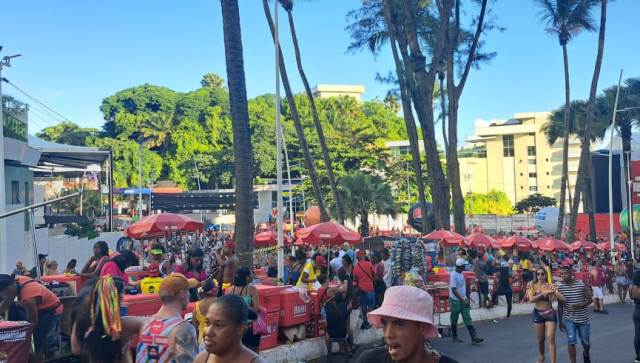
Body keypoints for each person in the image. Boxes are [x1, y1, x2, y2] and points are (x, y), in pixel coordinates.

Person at [357, 286, 459, 363]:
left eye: (399, 324)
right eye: (384, 323)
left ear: (423, 326)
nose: (388, 334)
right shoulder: (370, 360)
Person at [135, 273, 200, 362]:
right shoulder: (183, 329)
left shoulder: (146, 324)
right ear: (182, 293)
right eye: (188, 291)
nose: (190, 295)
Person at [0, 274, 63, 363]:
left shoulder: (27, 298)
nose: (2, 298)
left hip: (52, 309)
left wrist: (23, 340)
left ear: (9, 289)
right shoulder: (16, 280)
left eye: (2, 295)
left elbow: (32, 322)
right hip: (38, 305)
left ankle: (38, 358)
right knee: (14, 309)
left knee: (37, 339)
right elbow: (7, 301)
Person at [70, 276, 133, 363]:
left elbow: (76, 349)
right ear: (117, 298)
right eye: (122, 297)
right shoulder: (120, 324)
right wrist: (125, 350)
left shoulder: (82, 316)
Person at [193, 294, 266, 363]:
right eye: (207, 323)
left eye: (218, 325)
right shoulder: (202, 359)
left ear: (241, 328)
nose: (208, 332)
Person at [528, 267, 565, 363]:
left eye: (542, 274)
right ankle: (541, 357)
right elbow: (531, 299)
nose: (540, 276)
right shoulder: (532, 286)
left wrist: (553, 291)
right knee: (541, 339)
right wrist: (542, 294)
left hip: (550, 313)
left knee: (550, 338)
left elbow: (560, 299)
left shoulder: (551, 285)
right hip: (538, 313)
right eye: (538, 274)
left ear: (546, 275)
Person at [557, 264, 593, 363]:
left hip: (583, 319)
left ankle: (586, 354)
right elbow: (560, 306)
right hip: (569, 320)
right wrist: (560, 322)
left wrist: (579, 306)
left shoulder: (580, 285)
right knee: (571, 342)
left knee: (586, 344)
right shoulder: (561, 288)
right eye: (561, 274)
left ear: (571, 274)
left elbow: (590, 300)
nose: (563, 276)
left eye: (565, 274)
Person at [449, 258, 483, 344]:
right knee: (454, 318)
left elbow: (463, 287)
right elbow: (454, 290)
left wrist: (466, 297)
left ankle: (474, 337)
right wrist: (463, 299)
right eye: (464, 266)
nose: (465, 267)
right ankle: (455, 336)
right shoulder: (453, 275)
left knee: (467, 317)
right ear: (460, 267)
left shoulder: (461, 273)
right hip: (455, 300)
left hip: (462, 299)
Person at [228, 267, 262, 352]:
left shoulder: (231, 289)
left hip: (235, 327)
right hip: (249, 326)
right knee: (253, 354)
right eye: (251, 275)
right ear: (246, 277)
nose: (252, 276)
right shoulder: (252, 289)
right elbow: (256, 308)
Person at [353, 250, 375, 329]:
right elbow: (374, 274)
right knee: (371, 306)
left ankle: (365, 321)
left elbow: (355, 280)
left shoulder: (356, 266)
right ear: (363, 256)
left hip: (361, 289)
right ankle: (370, 321)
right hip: (370, 288)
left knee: (363, 306)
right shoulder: (369, 264)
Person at [192, 278, 218, 345]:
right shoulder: (218, 303)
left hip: (201, 340)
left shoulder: (197, 305)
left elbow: (195, 325)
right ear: (214, 290)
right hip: (216, 337)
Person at [630, 266, 640, 363]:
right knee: (638, 334)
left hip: (637, 308)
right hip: (638, 308)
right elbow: (635, 293)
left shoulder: (636, 273)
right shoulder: (638, 273)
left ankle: (638, 357)